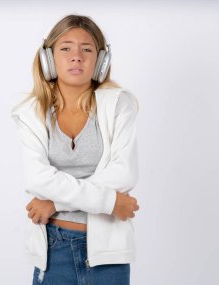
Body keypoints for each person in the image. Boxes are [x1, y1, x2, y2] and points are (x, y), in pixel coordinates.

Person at [11, 14, 140, 285]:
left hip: (108, 254)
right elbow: (37, 178)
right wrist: (110, 201)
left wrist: (54, 202)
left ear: (100, 61)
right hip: (52, 248)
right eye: (66, 48)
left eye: (87, 49)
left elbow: (123, 175)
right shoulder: (30, 113)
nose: (76, 56)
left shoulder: (119, 104)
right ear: (49, 59)